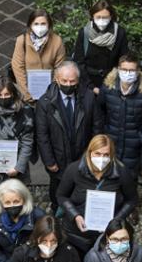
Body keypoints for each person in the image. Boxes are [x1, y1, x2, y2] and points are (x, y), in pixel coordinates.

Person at [35, 61, 105, 208]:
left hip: (82, 156)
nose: (68, 84)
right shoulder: (45, 103)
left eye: (72, 81)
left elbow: (96, 128)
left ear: (78, 81)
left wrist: (91, 155)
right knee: (58, 192)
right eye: (64, 81)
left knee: (82, 191)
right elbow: (42, 135)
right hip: (58, 160)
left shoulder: (89, 98)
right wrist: (49, 161)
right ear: (56, 79)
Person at [56, 134, 138, 255]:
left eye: (106, 155)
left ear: (112, 155)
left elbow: (132, 199)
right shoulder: (74, 169)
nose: (101, 158)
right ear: (90, 153)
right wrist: (76, 216)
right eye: (97, 154)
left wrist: (117, 219)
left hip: (108, 233)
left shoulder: (121, 172)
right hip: (76, 232)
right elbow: (61, 196)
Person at [98, 55, 142, 169]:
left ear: (138, 71)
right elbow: (99, 110)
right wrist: (104, 131)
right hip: (110, 140)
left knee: (129, 178)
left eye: (132, 70)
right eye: (124, 69)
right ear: (118, 69)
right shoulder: (108, 87)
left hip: (133, 145)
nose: (128, 73)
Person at [71, 0, 130, 92]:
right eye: (98, 17)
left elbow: (123, 60)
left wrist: (113, 81)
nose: (101, 20)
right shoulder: (84, 33)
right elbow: (79, 62)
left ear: (111, 17)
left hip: (112, 83)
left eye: (105, 17)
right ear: (92, 17)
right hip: (88, 83)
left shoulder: (119, 33)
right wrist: (91, 86)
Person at [10, 8, 66, 102]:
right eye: (36, 24)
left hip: (49, 94)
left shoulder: (57, 41)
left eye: (43, 24)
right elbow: (18, 67)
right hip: (26, 93)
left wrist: (51, 93)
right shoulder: (22, 40)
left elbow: (59, 68)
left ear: (49, 25)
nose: (39, 27)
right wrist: (26, 94)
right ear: (30, 25)